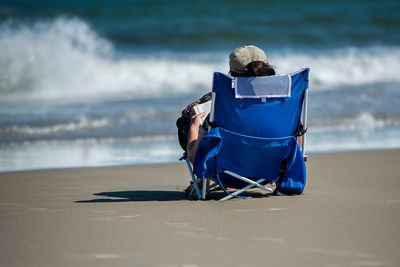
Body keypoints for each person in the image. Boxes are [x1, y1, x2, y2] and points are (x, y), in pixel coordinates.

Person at [176, 45, 276, 164]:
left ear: (231, 73)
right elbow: (297, 134)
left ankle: (203, 180)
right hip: (271, 166)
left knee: (187, 120)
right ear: (266, 66)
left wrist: (194, 127)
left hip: (227, 171)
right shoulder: (283, 104)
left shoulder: (221, 107)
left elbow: (195, 158)